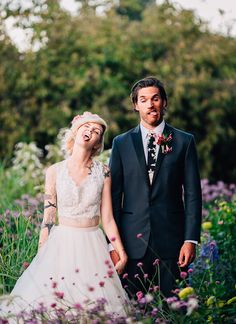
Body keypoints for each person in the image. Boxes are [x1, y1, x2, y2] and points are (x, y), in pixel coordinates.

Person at [1, 111, 129, 320]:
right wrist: (42, 253)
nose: (90, 131)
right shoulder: (54, 171)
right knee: (51, 306)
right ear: (75, 132)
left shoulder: (104, 172)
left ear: (98, 144)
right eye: (86, 127)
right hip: (61, 243)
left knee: (94, 308)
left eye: (96, 131)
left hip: (93, 245)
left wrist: (120, 251)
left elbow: (107, 218)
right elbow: (48, 218)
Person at [109, 77, 202, 298]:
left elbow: (192, 194)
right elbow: (113, 196)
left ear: (164, 102)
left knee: (174, 309)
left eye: (155, 98)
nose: (150, 104)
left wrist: (190, 239)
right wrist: (113, 244)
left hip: (173, 242)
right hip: (130, 244)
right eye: (143, 100)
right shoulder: (121, 143)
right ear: (135, 105)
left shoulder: (184, 141)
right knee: (132, 311)